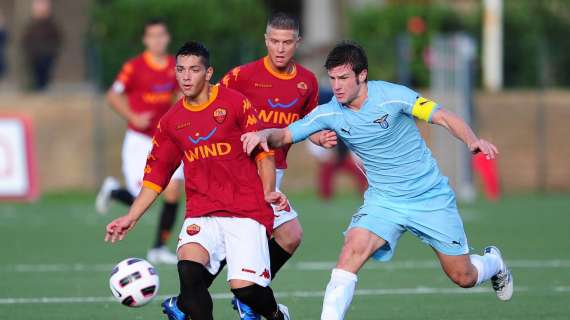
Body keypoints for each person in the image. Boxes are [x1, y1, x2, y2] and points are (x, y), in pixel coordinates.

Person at [241, 41, 514, 320]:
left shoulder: (393, 97)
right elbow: (286, 135)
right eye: (333, 78)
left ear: (362, 76)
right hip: (383, 202)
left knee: (463, 276)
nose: (337, 86)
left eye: (344, 78)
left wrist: (472, 140)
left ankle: (493, 262)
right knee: (350, 254)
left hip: (429, 197)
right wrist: (264, 135)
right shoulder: (331, 112)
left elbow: (443, 116)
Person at [105, 41, 290, 320]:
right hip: (202, 213)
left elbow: (264, 155)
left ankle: (277, 315)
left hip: (246, 210)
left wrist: (268, 191)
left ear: (208, 73)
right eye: (180, 70)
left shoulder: (235, 103)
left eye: (194, 70)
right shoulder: (171, 121)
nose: (186, 76)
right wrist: (131, 216)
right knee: (189, 271)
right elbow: (156, 176)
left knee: (246, 290)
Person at [219, 12, 320, 319]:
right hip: (245, 174)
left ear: (297, 43)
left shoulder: (307, 82)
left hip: (274, 175)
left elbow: (308, 125)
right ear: (265, 40)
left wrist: (321, 137)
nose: (279, 48)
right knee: (288, 234)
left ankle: (201, 300)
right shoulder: (242, 76)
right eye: (274, 41)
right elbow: (214, 108)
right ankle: (249, 299)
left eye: (287, 42)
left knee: (264, 240)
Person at [95, 18, 182, 265]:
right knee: (140, 197)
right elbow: (113, 95)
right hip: (139, 140)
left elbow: (179, 95)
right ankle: (113, 190)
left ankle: (158, 247)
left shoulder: (175, 67)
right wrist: (133, 116)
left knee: (173, 191)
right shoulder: (134, 67)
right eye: (152, 35)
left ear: (167, 38)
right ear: (145, 40)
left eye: (161, 35)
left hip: (166, 140)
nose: (158, 40)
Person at [21, 0, 61, 91]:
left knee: (45, 74)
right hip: (34, 54)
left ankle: (43, 89)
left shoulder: (51, 24)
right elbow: (25, 39)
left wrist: (51, 49)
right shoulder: (31, 24)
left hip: (47, 54)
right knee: (36, 74)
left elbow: (58, 38)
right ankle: (38, 89)